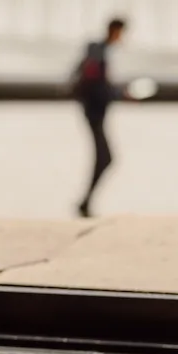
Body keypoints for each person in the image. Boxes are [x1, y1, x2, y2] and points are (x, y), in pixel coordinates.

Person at [73, 17, 127, 217]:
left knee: (104, 158)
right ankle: (85, 202)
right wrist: (119, 94)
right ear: (115, 31)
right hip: (94, 112)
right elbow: (98, 84)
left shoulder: (97, 50)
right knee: (105, 158)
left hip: (93, 111)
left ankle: (86, 202)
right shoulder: (99, 51)